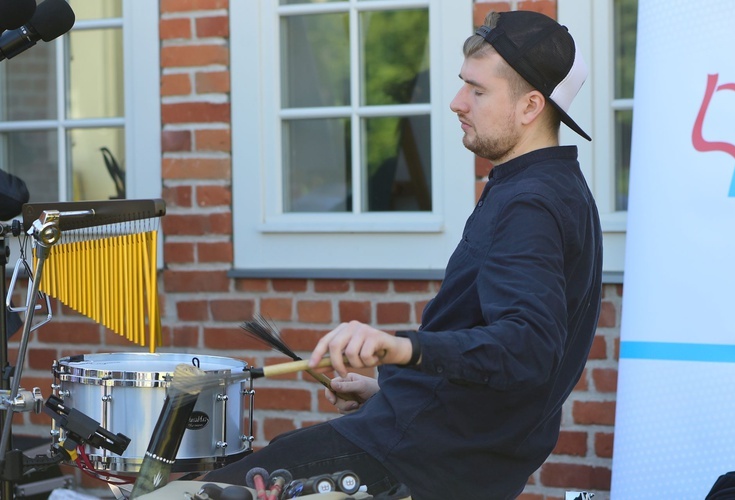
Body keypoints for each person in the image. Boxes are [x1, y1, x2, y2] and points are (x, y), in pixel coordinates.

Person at [204, 10, 602, 499]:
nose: (457, 103)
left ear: (530, 107)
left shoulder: (531, 204)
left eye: (477, 91)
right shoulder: (554, 188)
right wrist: (388, 391)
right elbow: (497, 365)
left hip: (415, 463)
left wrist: (400, 348)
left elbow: (526, 349)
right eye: (463, 86)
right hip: (432, 448)